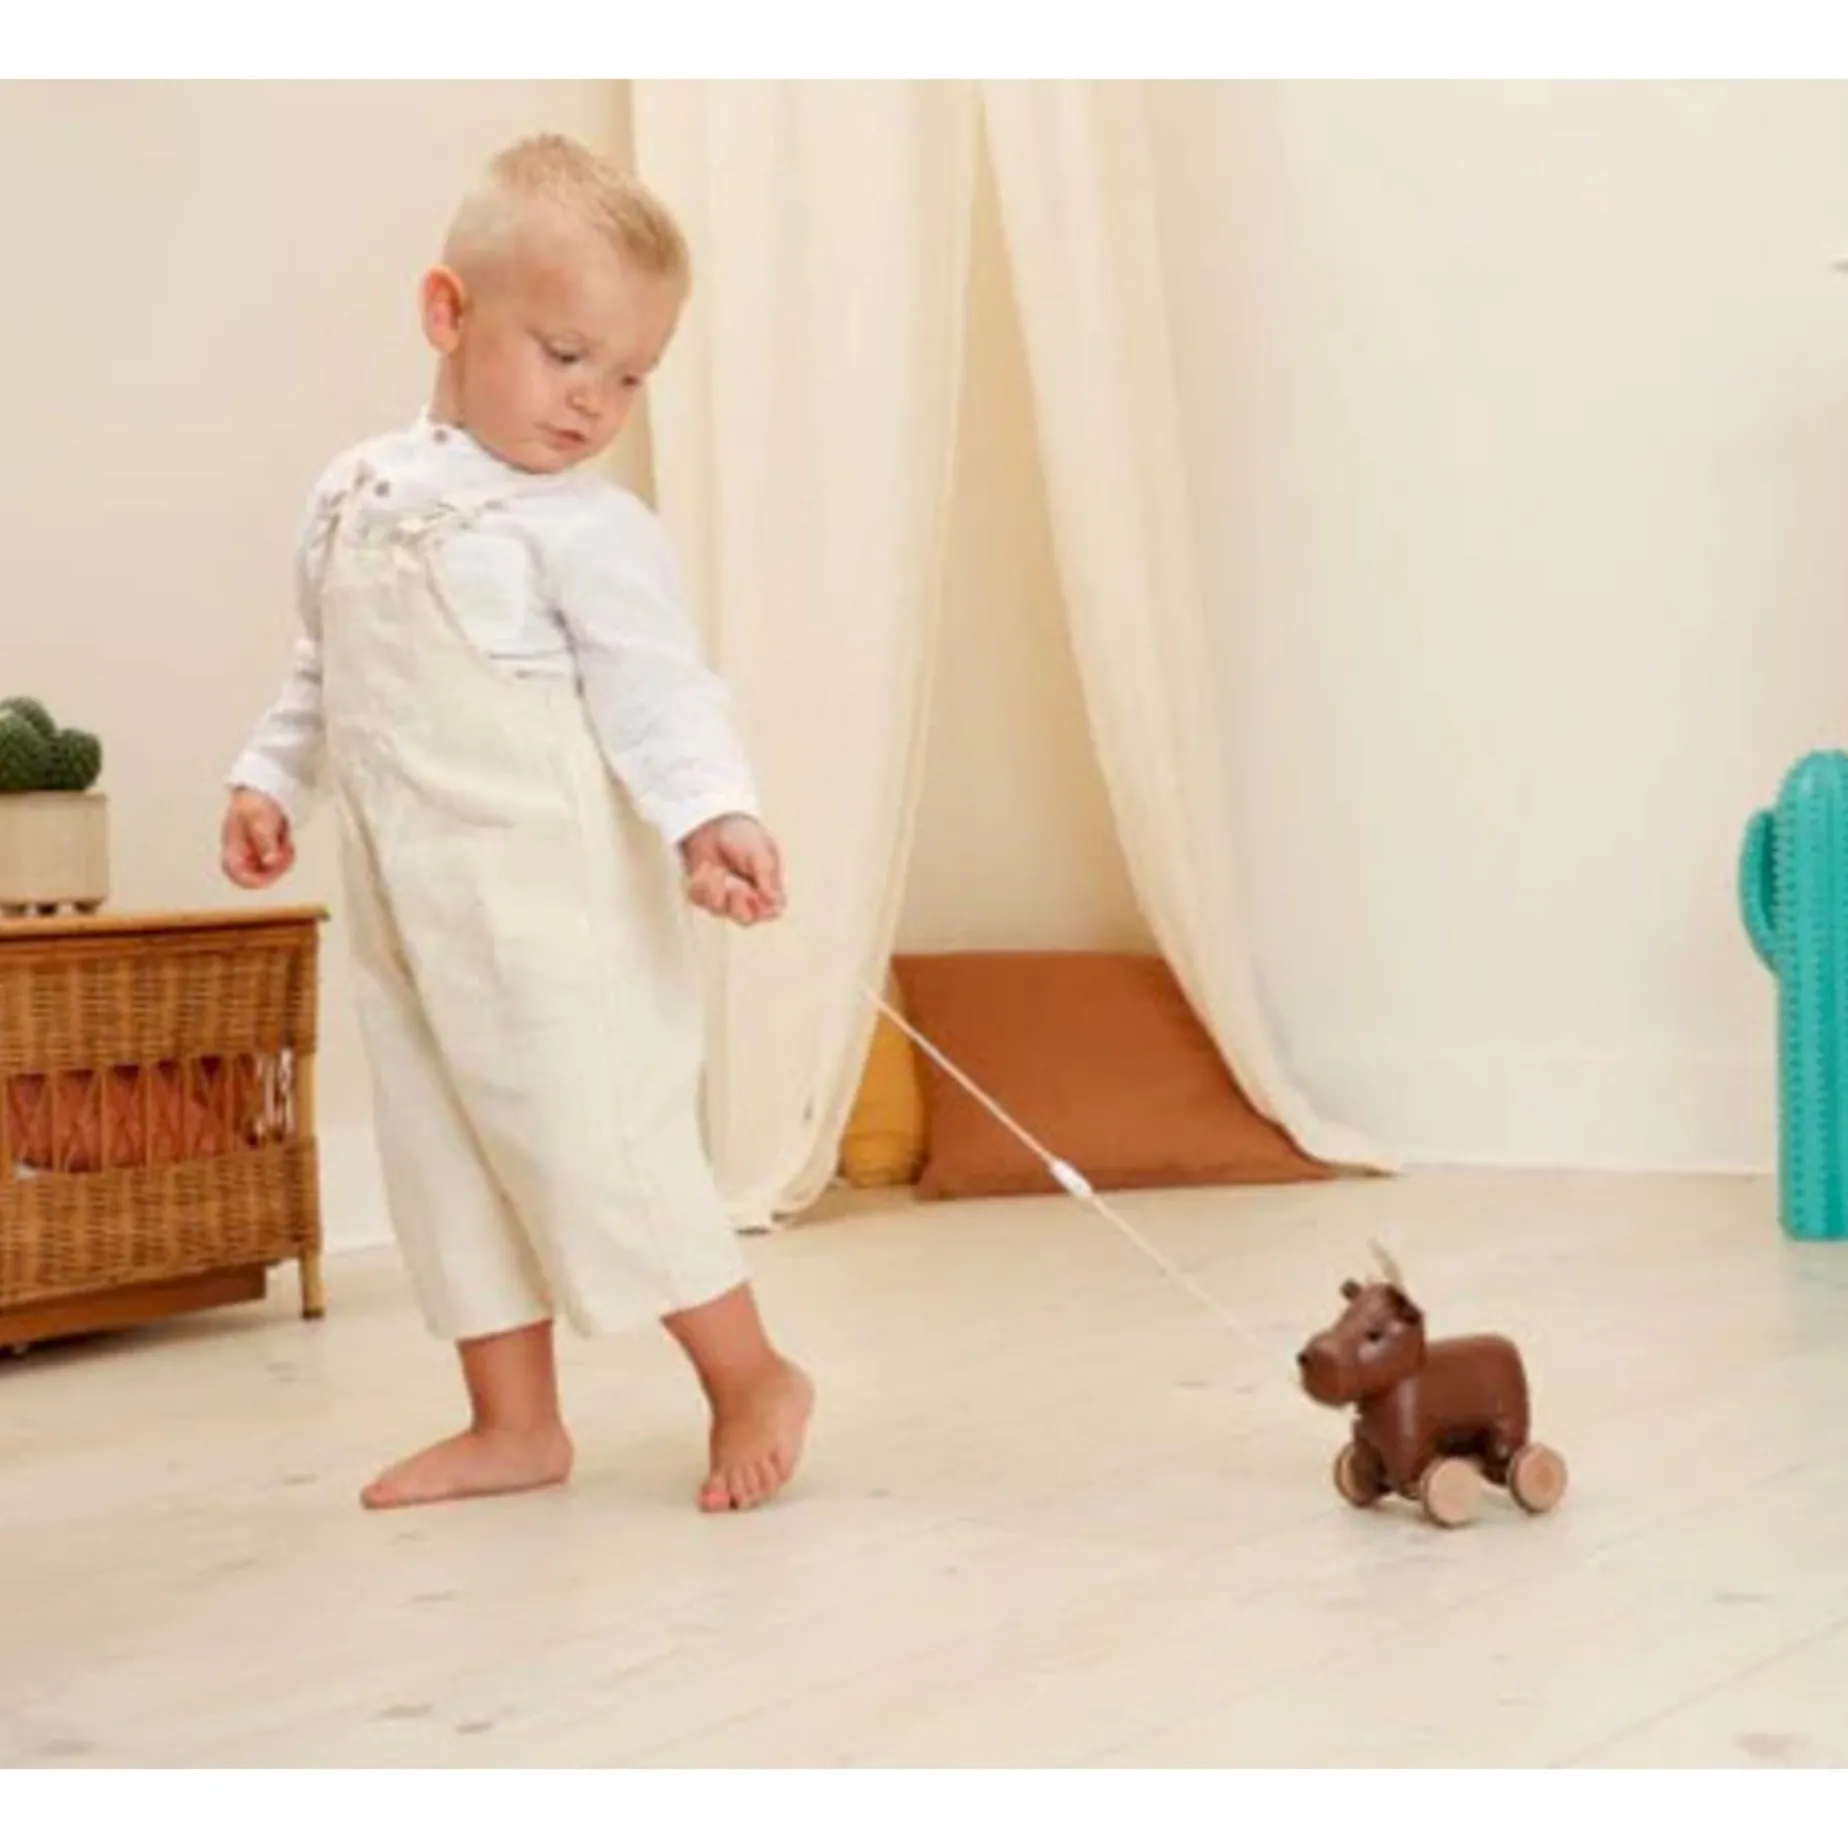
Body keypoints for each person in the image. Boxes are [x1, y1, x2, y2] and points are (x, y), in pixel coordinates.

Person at [219, 133, 813, 1516]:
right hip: (408, 907)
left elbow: (660, 693)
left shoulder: (588, 532)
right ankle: (515, 1423)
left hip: (552, 913)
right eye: (567, 355)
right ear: (448, 313)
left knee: (597, 1139)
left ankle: (751, 1375)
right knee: (443, 1156)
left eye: (631, 376)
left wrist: (711, 816)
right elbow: (324, 664)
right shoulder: (353, 495)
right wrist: (269, 776)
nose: (595, 400)